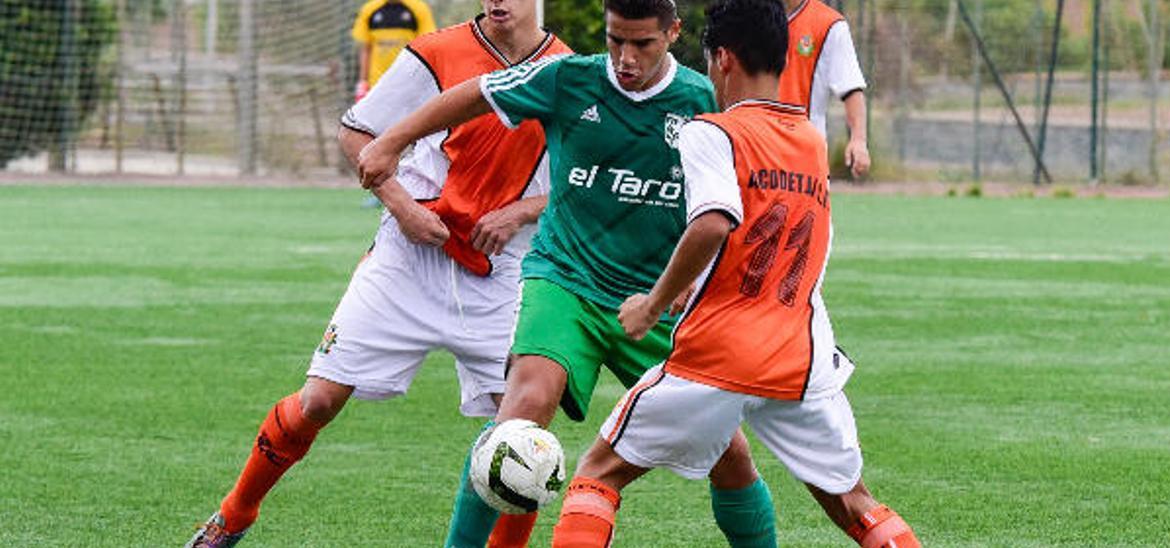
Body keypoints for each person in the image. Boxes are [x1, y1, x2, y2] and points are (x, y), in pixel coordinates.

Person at [357, 0, 780, 546]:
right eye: (614, 41)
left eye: (642, 44)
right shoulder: (568, 78)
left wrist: (698, 282)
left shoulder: (705, 102)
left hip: (655, 298)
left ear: (673, 33)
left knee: (731, 455)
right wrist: (389, 141)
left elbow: (736, 207)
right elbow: (478, 93)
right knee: (520, 416)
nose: (625, 58)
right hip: (565, 280)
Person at [184, 0, 570, 546]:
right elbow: (357, 133)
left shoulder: (569, 73)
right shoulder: (436, 53)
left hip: (500, 273)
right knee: (317, 402)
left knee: (521, 439)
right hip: (405, 263)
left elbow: (581, 183)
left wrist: (521, 211)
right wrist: (403, 207)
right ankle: (235, 513)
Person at [549, 0, 920, 546]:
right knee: (854, 503)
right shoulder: (811, 141)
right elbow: (778, 234)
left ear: (721, 58)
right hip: (801, 358)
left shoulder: (711, 132)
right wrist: (697, 284)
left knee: (597, 474)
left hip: (720, 355)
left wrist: (653, 303)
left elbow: (713, 224)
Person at [779, 0, 870, 179]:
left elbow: (850, 87)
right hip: (758, 150)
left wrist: (858, 140)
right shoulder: (750, 15)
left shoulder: (830, 24)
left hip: (806, 159)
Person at [351, 0, 437, 101]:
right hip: (377, 84)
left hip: (409, 83)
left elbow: (426, 45)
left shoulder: (419, 8)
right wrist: (363, 82)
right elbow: (366, 48)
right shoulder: (369, 9)